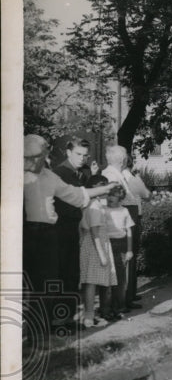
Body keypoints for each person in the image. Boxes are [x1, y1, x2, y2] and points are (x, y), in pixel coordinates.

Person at [23, 135, 113, 336]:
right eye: (33, 156)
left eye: (42, 155)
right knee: (28, 284)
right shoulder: (15, 177)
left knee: (49, 282)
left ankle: (42, 330)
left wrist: (105, 188)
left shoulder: (49, 176)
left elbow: (75, 195)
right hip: (25, 233)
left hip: (48, 234)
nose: (39, 160)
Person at [102, 145, 151, 310]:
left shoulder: (117, 174)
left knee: (126, 260)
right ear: (122, 160)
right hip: (119, 221)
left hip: (126, 216)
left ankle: (125, 298)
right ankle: (120, 301)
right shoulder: (111, 175)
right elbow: (116, 200)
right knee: (121, 261)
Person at [53, 137, 94, 324]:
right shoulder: (61, 172)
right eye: (78, 154)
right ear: (68, 152)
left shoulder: (80, 172)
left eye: (85, 155)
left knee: (72, 272)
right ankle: (62, 318)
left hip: (74, 226)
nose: (82, 158)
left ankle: (67, 316)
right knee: (65, 272)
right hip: (61, 228)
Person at [78, 176, 118, 327]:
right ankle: (89, 316)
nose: (106, 188)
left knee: (91, 281)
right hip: (95, 246)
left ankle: (89, 315)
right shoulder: (94, 205)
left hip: (94, 245)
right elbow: (94, 231)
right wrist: (102, 253)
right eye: (102, 185)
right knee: (91, 282)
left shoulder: (93, 204)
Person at [101, 184, 135, 321]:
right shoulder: (102, 210)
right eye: (108, 195)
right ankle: (105, 309)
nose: (110, 198)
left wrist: (129, 250)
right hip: (107, 245)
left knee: (120, 280)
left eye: (113, 196)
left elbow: (129, 231)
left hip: (121, 245)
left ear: (120, 198)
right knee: (107, 279)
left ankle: (119, 307)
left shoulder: (124, 211)